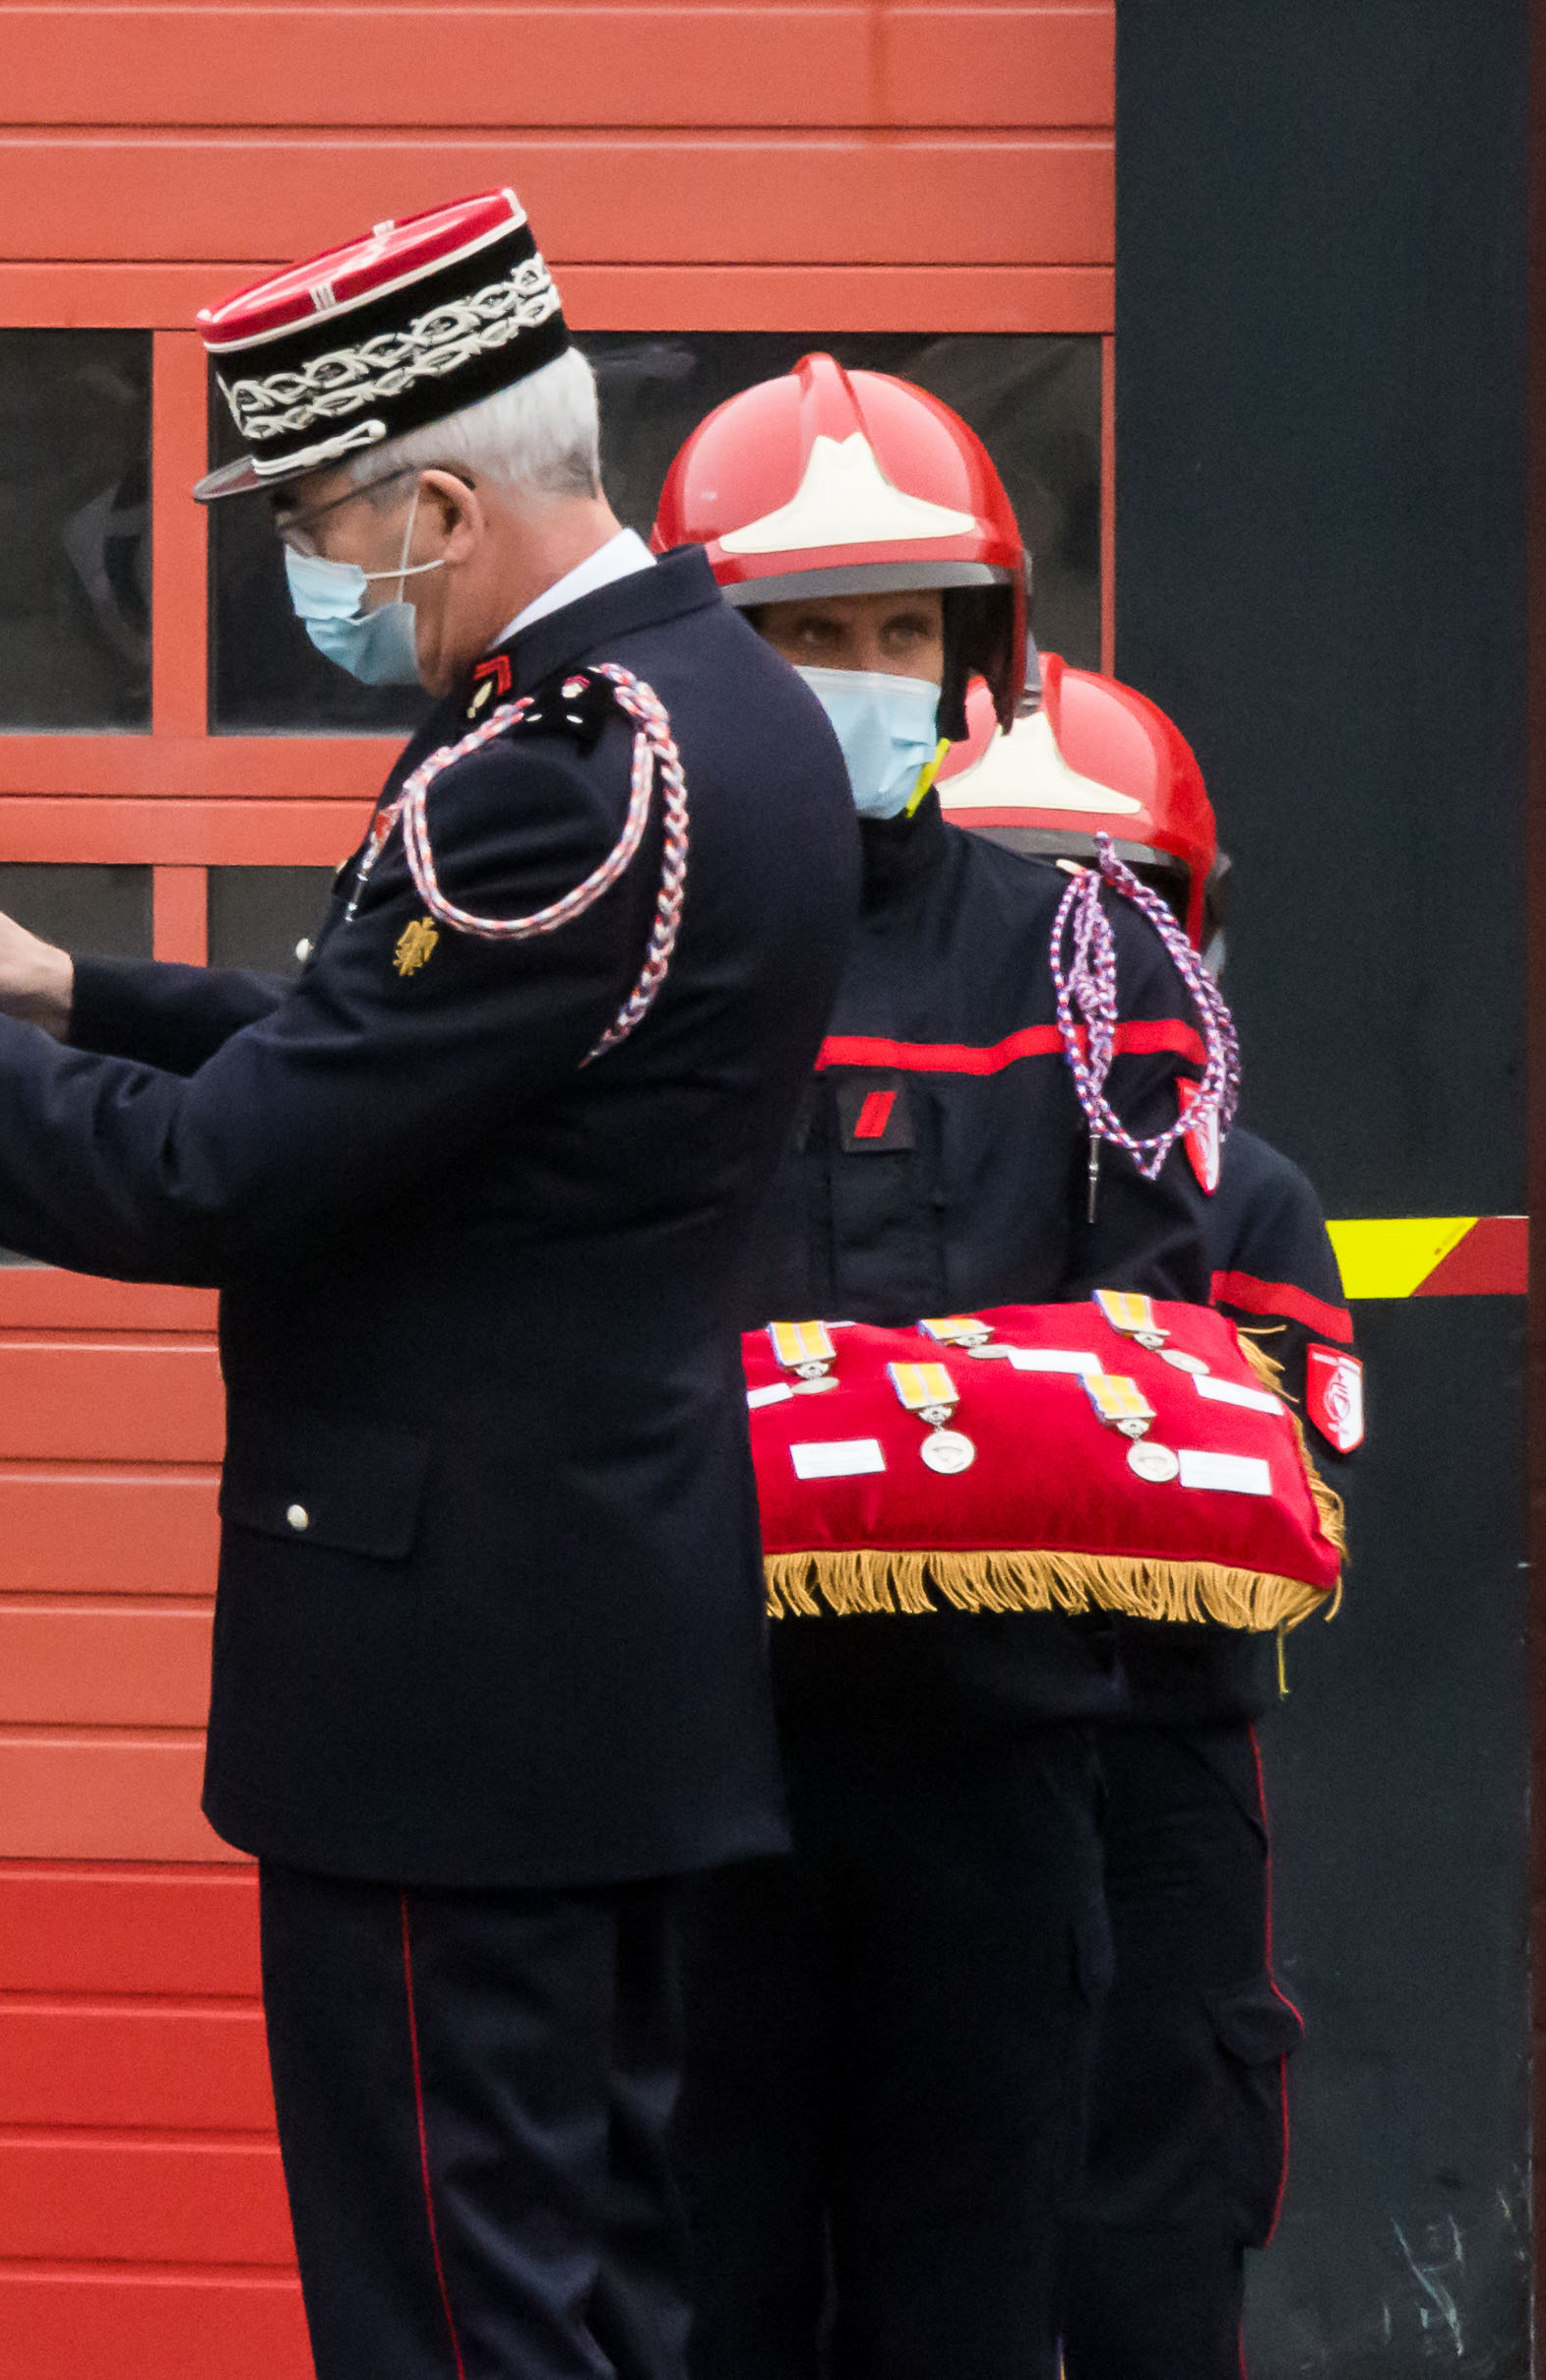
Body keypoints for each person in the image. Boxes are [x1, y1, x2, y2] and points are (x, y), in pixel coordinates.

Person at [0, 191, 859, 2378]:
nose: (298, 571)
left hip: (454, 1681)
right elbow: (418, 1066)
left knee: (460, 2299)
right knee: (601, 2262)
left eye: (306, 517)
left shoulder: (554, 779)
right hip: (596, 1638)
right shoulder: (705, 711)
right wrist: (71, 989)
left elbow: (231, 1176)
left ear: (438, 502)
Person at [648, 361, 1226, 2379]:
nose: (861, 673)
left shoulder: (1085, 959)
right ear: (705, 656)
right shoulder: (617, 948)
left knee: (965, 2320)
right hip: (679, 1779)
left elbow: (1146, 1366)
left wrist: (792, 1432)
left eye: (902, 629)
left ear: (974, 652)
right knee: (697, 2310)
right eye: (805, 634)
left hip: (986, 1784)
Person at [936, 661, 1348, 2377]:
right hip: (923, 1779)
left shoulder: (1247, 1200)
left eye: (1122, 909)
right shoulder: (867, 1150)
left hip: (1155, 1788)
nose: (1088, 955)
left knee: (1149, 2275)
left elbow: (1286, 1530)